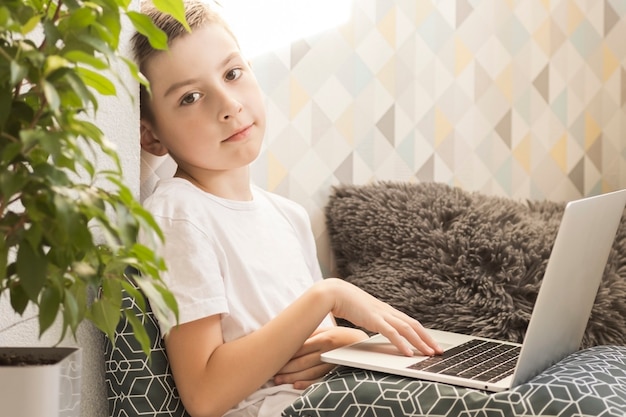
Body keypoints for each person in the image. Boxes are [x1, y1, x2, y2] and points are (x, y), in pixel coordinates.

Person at [132, 2, 442, 416]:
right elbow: (204, 394)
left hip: (336, 397)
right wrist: (328, 295)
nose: (228, 105)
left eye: (232, 74)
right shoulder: (179, 214)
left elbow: (312, 350)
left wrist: (347, 344)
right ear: (152, 137)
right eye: (190, 97)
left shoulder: (287, 216)